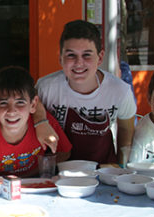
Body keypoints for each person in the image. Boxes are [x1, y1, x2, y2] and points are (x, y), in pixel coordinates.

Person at [36, 20, 136, 166]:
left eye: (87, 55)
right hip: (58, 173)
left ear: (100, 57)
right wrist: (40, 120)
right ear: (60, 58)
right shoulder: (46, 87)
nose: (78, 63)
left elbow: (126, 129)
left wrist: (121, 167)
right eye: (71, 55)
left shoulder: (120, 90)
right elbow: (29, 106)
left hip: (103, 172)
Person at [0, 66, 71, 177]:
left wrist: (33, 174)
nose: (11, 111)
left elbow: (64, 152)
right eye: (3, 103)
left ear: (33, 104)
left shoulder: (43, 126)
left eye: (20, 102)